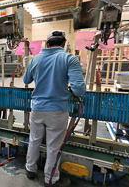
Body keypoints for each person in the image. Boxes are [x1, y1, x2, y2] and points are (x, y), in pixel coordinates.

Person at [23, 31, 86, 187]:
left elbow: (26, 80)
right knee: (53, 146)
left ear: (47, 44)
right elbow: (79, 88)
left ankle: (30, 169)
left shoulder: (36, 59)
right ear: (64, 44)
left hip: (37, 109)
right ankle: (50, 178)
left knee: (34, 140)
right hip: (57, 111)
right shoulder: (69, 59)